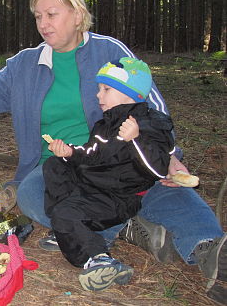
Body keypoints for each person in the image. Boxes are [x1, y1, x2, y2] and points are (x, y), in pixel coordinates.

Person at [0, 0, 226, 303]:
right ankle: (125, 226)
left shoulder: (109, 52)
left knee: (160, 182)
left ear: (76, 13)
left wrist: (169, 156)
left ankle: (208, 247)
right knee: (31, 194)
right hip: (60, 167)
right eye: (38, 16)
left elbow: (152, 107)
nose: (43, 23)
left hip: (115, 155)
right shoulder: (25, 65)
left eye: (51, 14)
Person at [43, 57, 174, 291]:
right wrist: (70, 153)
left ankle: (99, 258)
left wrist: (136, 140)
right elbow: (93, 154)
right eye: (98, 89)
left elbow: (158, 169)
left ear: (130, 93)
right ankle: (65, 229)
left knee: (64, 213)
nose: (98, 95)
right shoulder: (105, 125)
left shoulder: (151, 124)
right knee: (54, 166)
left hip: (119, 198)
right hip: (95, 187)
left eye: (106, 89)